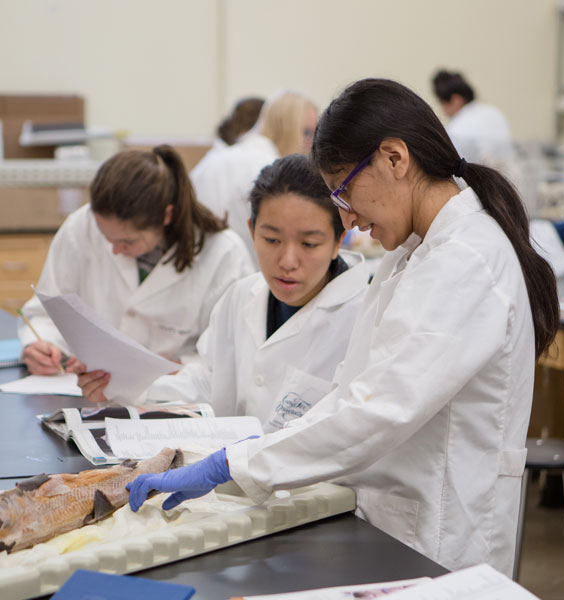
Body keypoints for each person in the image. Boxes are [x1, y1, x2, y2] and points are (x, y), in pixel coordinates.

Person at [126, 78, 559, 576]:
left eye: (344, 191)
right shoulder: (412, 256)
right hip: (393, 523)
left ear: (395, 158)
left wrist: (235, 465)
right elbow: (352, 393)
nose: (348, 219)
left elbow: (378, 410)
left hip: (442, 537)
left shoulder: (465, 260)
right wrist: (241, 461)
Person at [78, 154, 369, 428]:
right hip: (234, 471)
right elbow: (207, 381)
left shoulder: (364, 317)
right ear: (252, 231)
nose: (287, 262)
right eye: (271, 239)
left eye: (309, 244)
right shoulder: (241, 297)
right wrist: (123, 386)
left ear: (338, 241)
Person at [20, 145, 253, 375]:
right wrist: (40, 346)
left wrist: (171, 369)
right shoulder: (80, 227)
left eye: (128, 242)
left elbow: (230, 355)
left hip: (175, 401)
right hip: (82, 393)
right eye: (105, 236)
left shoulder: (223, 253)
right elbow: (47, 314)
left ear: (167, 216)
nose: (115, 251)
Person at [190, 90, 319, 264]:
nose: (311, 145)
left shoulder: (216, 157)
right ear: (282, 125)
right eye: (306, 132)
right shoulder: (271, 169)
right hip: (237, 274)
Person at [432, 69, 516, 175]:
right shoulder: (494, 112)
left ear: (456, 100)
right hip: (509, 184)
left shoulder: (458, 129)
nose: (443, 111)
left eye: (443, 104)